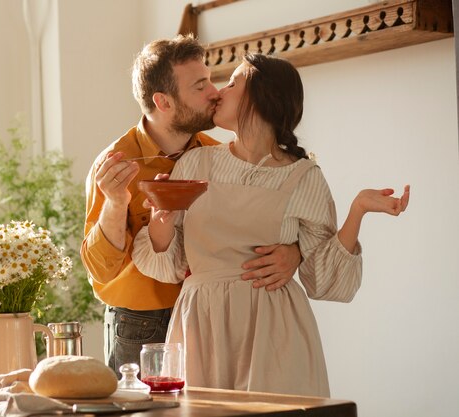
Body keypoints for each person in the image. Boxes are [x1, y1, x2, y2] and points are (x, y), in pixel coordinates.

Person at [132, 53, 410, 397]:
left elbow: (324, 281)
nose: (219, 91)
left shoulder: (303, 177)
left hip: (274, 332)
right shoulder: (195, 163)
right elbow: (167, 265)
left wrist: (358, 210)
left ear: (261, 97)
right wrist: (162, 221)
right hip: (201, 326)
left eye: (233, 83)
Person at [80, 35, 303, 376]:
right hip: (140, 327)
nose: (214, 92)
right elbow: (100, 271)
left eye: (211, 80)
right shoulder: (114, 165)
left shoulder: (218, 156)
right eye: (200, 86)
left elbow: (257, 223)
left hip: (210, 319)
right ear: (163, 102)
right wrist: (115, 203)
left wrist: (295, 251)